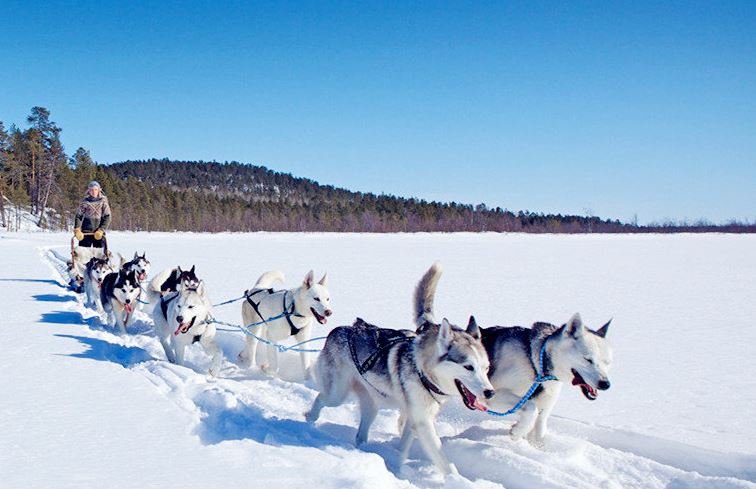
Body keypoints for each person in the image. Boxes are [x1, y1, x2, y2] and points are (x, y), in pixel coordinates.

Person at [74, 181, 111, 248]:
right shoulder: (85, 201)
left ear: (99, 190)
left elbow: (107, 217)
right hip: (86, 231)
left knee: (100, 255)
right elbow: (78, 216)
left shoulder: (103, 201)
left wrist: (101, 229)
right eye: (91, 190)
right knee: (83, 254)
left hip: (98, 232)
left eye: (95, 190)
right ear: (89, 191)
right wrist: (77, 228)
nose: (93, 192)